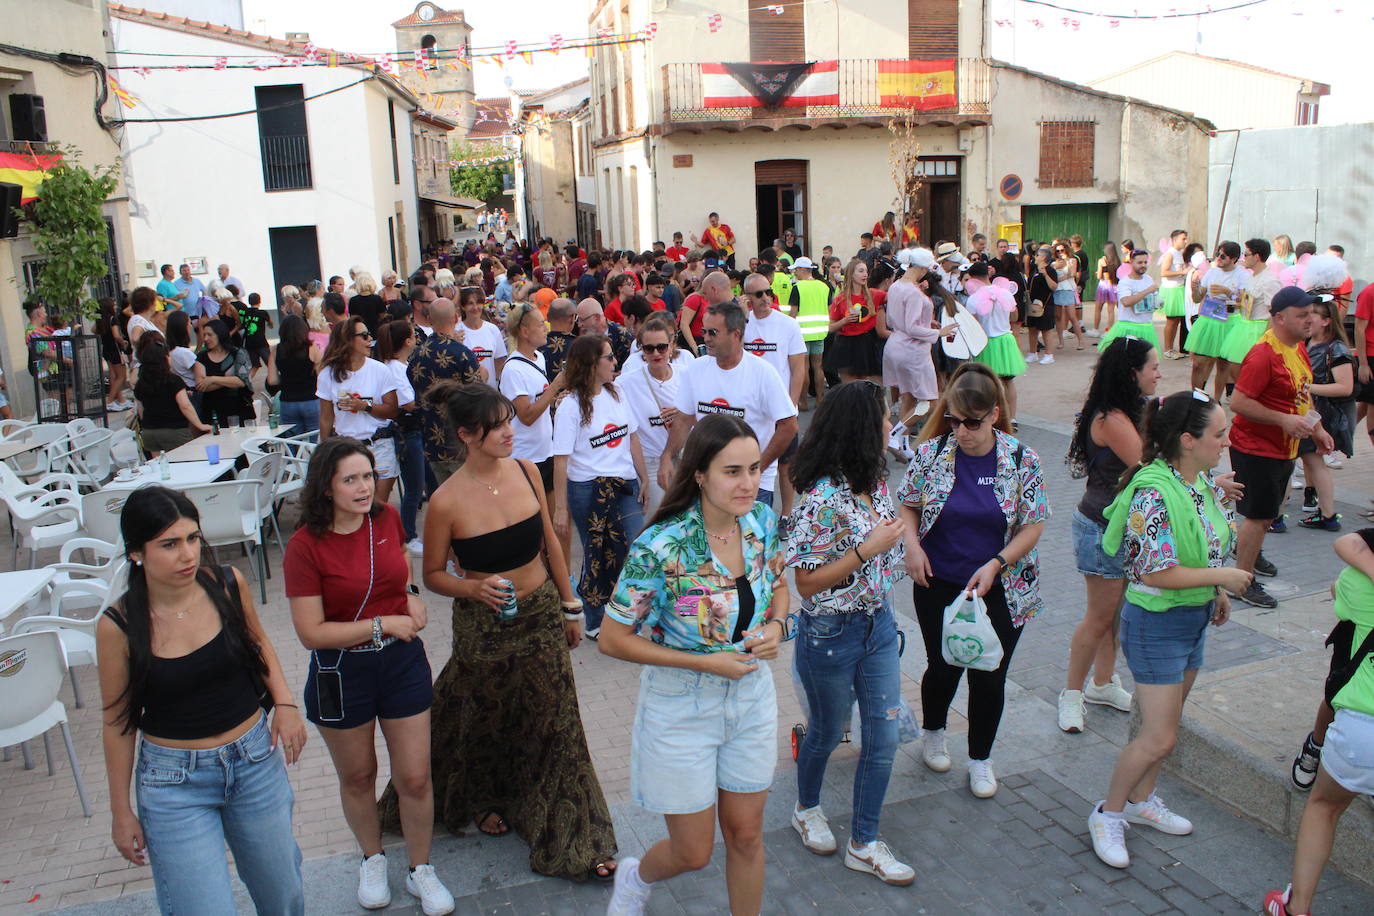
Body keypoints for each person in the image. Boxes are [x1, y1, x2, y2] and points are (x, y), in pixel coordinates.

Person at [376, 382, 616, 882]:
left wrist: (572, 606)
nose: (511, 432)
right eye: (498, 426)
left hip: (543, 614)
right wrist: (472, 588)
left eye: (510, 421)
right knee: (488, 714)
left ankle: (576, 836)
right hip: (486, 627)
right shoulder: (444, 501)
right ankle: (484, 797)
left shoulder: (527, 471)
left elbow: (551, 542)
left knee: (558, 722)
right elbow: (435, 574)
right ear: (466, 435)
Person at [599, 414, 788, 916]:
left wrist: (777, 628)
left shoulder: (763, 523)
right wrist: (705, 664)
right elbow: (614, 640)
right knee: (693, 852)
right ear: (700, 475)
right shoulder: (661, 545)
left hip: (750, 698)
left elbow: (780, 587)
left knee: (747, 835)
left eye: (753, 468)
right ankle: (635, 876)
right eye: (732, 471)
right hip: (681, 707)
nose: (748, 483)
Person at [96, 486, 306, 915]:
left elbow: (257, 642)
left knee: (282, 895)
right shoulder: (118, 625)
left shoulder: (226, 584)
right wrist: (121, 811)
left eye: (193, 538)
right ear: (137, 552)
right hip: (173, 785)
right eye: (169, 544)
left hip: (253, 762)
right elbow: (118, 722)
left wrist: (284, 703)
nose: (187, 554)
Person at [283, 439, 454, 914]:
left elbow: (398, 570)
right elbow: (310, 633)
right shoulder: (304, 547)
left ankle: (421, 868)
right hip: (342, 671)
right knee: (359, 775)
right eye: (349, 480)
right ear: (326, 487)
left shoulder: (386, 517)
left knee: (415, 777)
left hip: (400, 662)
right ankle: (372, 857)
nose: (364, 488)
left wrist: (411, 592)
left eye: (367, 476)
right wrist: (383, 623)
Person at [1088, 390, 1251, 869]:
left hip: (1190, 618)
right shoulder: (1153, 491)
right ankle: (1108, 813)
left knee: (1165, 729)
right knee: (1159, 738)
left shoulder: (1194, 481)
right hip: (1156, 624)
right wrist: (1223, 578)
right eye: (1218, 434)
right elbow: (1153, 572)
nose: (1226, 440)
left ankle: (1141, 802)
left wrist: (1214, 592)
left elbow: (1200, 545)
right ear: (1187, 439)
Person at [898, 363, 1048, 799]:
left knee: (990, 675)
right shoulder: (932, 455)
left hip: (1002, 588)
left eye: (972, 422)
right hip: (939, 582)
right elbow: (907, 504)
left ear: (995, 414)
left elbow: (1034, 524)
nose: (962, 431)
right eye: (954, 420)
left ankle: (980, 759)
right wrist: (912, 546)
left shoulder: (1022, 459)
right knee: (943, 668)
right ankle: (934, 731)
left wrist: (998, 562)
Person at [785, 382, 914, 886]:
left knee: (881, 738)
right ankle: (806, 808)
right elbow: (806, 582)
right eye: (885, 417)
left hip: (878, 624)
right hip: (830, 634)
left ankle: (864, 842)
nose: (892, 424)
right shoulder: (820, 497)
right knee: (826, 731)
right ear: (863, 427)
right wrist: (868, 548)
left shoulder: (874, 478)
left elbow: (886, 534)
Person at [1263, 529, 1374, 916]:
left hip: (1361, 729)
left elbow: (1336, 588)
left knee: (1323, 807)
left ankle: (1297, 907)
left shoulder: (1361, 578)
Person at [1060, 337, 1162, 733]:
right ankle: (1071, 694)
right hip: (1102, 530)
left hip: (1124, 529)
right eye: (1152, 366)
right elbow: (1151, 468)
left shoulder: (1133, 410)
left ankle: (1102, 683)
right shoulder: (1112, 419)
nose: (1158, 373)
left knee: (1114, 615)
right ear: (1131, 373)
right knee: (1099, 617)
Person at [1229, 287, 1336, 609]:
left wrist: (1316, 428)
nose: (1311, 320)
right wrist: (1283, 420)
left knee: (1267, 514)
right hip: (1255, 448)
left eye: (1312, 314)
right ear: (1279, 318)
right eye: (1302, 315)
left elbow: (1303, 392)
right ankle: (1241, 581)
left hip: (1284, 448)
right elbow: (1238, 401)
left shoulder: (1297, 347)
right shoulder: (1264, 354)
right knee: (1258, 516)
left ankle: (1251, 551)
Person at [552, 335, 649, 639]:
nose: (614, 362)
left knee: (635, 549)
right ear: (592, 364)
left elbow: (632, 437)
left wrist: (644, 478)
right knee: (597, 554)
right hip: (587, 491)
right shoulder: (570, 406)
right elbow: (560, 460)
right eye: (608, 357)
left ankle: (631, 616)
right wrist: (560, 509)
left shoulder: (618, 392)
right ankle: (595, 621)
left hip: (624, 485)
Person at [663, 300, 799, 509]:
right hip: (708, 479)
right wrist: (667, 456)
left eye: (713, 333)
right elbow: (684, 419)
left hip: (753, 486)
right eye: (704, 331)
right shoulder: (695, 369)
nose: (706, 338)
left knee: (749, 542)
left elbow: (789, 425)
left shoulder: (762, 373)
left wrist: (756, 469)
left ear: (736, 335)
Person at [741, 273, 806, 522]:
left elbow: (798, 368)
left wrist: (790, 408)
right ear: (747, 298)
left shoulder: (787, 325)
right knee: (752, 461)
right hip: (750, 411)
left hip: (780, 408)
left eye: (769, 292)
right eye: (758, 294)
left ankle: (787, 514)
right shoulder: (742, 324)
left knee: (786, 465)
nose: (766, 298)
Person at [317, 316, 402, 505]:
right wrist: (325, 452)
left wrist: (365, 407)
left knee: (378, 506)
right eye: (363, 335)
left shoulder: (380, 370)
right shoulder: (327, 375)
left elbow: (392, 410)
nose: (369, 339)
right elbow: (325, 417)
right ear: (347, 340)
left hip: (379, 445)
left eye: (369, 334)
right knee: (352, 506)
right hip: (346, 449)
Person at [408, 299, 484, 485]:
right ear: (457, 318)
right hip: (461, 443)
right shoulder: (463, 354)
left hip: (432, 442)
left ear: (430, 320)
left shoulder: (416, 356)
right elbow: (477, 397)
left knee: (445, 504)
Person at [1296, 297, 1355, 531]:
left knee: (1312, 458)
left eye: (1313, 315)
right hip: (1310, 409)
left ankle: (1328, 514)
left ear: (1327, 321)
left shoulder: (1336, 348)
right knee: (1309, 458)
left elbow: (1345, 387)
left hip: (1324, 414)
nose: (1308, 318)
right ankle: (1315, 502)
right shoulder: (1307, 342)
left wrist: (1307, 387)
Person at [618, 315, 684, 517]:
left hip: (684, 461)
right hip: (651, 463)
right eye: (649, 348)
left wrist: (682, 414)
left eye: (662, 347)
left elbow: (705, 415)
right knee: (657, 526)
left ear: (671, 345)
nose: (656, 353)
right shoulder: (626, 383)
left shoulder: (687, 374)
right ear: (642, 350)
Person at [500, 301, 566, 495]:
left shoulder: (539, 357)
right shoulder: (513, 370)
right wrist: (555, 387)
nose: (546, 328)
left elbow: (540, 399)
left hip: (546, 450)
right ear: (524, 331)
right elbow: (526, 416)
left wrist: (556, 398)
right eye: (540, 324)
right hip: (526, 457)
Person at [377, 320, 426, 556]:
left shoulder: (397, 365)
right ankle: (408, 535)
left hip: (411, 431)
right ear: (407, 341)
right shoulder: (395, 368)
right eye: (413, 335)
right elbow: (408, 403)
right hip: (408, 432)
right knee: (414, 487)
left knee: (419, 483)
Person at [882, 247, 942, 431]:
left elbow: (893, 320)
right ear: (923, 269)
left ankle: (901, 441)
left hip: (895, 345)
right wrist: (939, 333)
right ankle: (895, 434)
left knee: (908, 397)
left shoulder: (896, 286)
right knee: (929, 402)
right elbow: (912, 328)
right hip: (913, 351)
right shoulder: (914, 292)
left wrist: (927, 322)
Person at [964, 262, 1026, 423]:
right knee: (1008, 381)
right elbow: (1014, 317)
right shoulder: (1006, 293)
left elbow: (974, 326)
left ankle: (990, 416)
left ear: (972, 277)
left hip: (986, 343)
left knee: (986, 383)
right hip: (1006, 340)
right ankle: (1011, 418)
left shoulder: (973, 299)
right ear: (988, 274)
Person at [1188, 241, 1248, 400]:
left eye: (1223, 256)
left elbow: (1243, 302)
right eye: (1217, 254)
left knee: (1223, 365)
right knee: (1199, 363)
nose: (1218, 258)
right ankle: (1197, 398)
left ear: (1234, 258)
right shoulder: (1212, 272)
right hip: (1209, 319)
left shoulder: (1242, 274)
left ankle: (1216, 399)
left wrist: (1227, 292)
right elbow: (1197, 298)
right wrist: (1194, 288)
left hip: (1229, 320)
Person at [134, 341, 213, 456]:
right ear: (164, 359)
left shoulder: (141, 383)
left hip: (149, 432)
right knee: (183, 463)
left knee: (160, 467)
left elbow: (141, 408)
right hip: (174, 430)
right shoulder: (173, 380)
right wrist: (200, 425)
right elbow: (185, 406)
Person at [825, 259, 886, 385]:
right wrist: (845, 321)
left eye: (866, 271)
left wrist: (916, 286)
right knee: (849, 385)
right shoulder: (840, 299)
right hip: (846, 344)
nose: (865, 274)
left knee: (867, 384)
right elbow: (830, 327)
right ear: (851, 274)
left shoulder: (873, 294)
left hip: (866, 343)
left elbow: (896, 296)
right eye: (861, 271)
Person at [786, 257, 833, 410]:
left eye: (796, 269)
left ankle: (803, 402)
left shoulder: (798, 287)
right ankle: (820, 399)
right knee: (818, 367)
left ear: (802, 269)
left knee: (804, 368)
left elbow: (793, 314)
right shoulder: (824, 287)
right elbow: (829, 308)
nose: (795, 272)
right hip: (820, 332)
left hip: (802, 333)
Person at [267, 314, 322, 437]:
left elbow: (272, 380)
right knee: (315, 438)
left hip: (288, 401)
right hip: (311, 400)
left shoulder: (276, 350)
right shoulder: (311, 348)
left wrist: (287, 379)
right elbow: (321, 376)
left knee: (291, 440)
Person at [1098, 249, 1163, 354]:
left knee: (1144, 364)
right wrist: (1147, 291)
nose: (1143, 265)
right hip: (1128, 328)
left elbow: (1152, 298)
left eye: (1145, 262)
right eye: (1139, 262)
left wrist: (1157, 303)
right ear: (1131, 262)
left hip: (1147, 327)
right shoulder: (1125, 282)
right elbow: (1126, 302)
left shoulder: (1148, 279)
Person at [195, 318, 254, 427]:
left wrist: (212, 379)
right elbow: (201, 385)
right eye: (204, 335)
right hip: (212, 411)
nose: (206, 338)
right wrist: (229, 380)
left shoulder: (237, 354)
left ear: (220, 334)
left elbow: (242, 381)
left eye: (209, 335)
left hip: (239, 408)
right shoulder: (201, 357)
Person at [457, 286, 507, 383]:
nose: (475, 308)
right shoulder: (457, 331)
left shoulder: (493, 330)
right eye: (470, 303)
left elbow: (499, 360)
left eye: (478, 303)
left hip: (490, 392)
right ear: (463, 307)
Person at [679, 270, 733, 357]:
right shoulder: (695, 298)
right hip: (697, 340)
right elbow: (684, 324)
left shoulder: (719, 301)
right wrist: (694, 346)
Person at [575, 296, 633, 368]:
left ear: (596, 318)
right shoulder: (583, 334)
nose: (579, 325)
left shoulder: (623, 336)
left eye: (582, 320)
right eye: (578, 319)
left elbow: (627, 369)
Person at [1157, 230, 1190, 358]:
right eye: (1183, 238)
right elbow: (1163, 272)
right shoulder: (1170, 254)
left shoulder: (1179, 254)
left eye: (1186, 238)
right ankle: (1167, 350)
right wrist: (1183, 272)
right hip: (1171, 290)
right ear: (1174, 240)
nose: (1185, 241)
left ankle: (1171, 349)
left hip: (1178, 288)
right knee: (1171, 320)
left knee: (1176, 321)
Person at [1024, 247, 1058, 364]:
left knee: (1046, 330)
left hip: (1046, 305)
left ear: (1043, 257)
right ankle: (1033, 353)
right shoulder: (1034, 269)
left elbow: (1054, 287)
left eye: (1037, 255)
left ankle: (1049, 354)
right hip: (1033, 305)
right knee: (1032, 329)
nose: (1035, 257)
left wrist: (1045, 275)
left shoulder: (1050, 270)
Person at [1051, 241, 1086, 350]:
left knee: (1072, 316)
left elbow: (1071, 274)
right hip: (1057, 290)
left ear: (1066, 249)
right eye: (1058, 251)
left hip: (1068, 289)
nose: (1060, 252)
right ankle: (1061, 341)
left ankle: (1081, 341)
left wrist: (1060, 275)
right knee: (1057, 316)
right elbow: (1052, 275)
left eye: (1062, 250)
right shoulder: (1054, 263)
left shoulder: (1072, 260)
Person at [236, 291, 273, 379]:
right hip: (261, 343)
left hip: (249, 343)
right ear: (260, 301)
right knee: (271, 364)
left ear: (249, 302)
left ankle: (247, 382)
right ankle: (275, 385)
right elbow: (271, 325)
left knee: (254, 365)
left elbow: (241, 325)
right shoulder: (263, 313)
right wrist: (268, 322)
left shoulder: (246, 312)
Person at [1093, 242, 1121, 336]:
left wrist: (1099, 272)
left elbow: (1100, 276)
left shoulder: (1102, 260)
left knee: (1098, 308)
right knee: (1111, 310)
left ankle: (1095, 330)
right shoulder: (1117, 261)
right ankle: (1109, 331)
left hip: (1104, 285)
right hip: (1113, 285)